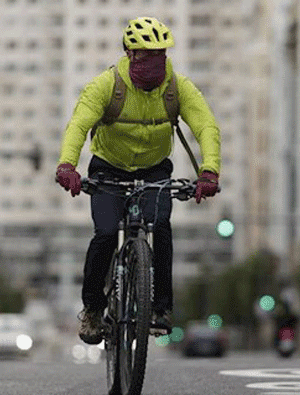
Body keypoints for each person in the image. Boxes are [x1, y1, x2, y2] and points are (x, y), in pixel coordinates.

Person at [56, 17, 221, 345]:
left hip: (154, 171)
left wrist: (210, 170)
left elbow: (206, 126)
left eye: (161, 55)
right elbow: (77, 125)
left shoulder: (178, 88)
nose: (156, 63)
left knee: (160, 228)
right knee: (104, 233)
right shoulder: (106, 86)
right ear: (130, 55)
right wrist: (68, 166)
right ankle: (92, 308)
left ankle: (160, 309)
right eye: (147, 56)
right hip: (108, 169)